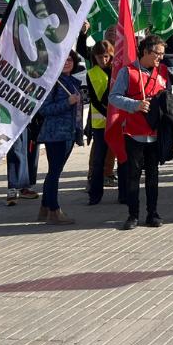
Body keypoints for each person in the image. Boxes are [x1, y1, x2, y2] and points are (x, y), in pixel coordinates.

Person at [109, 34, 169, 230]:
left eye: (162, 54)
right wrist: (135, 104)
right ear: (146, 51)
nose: (160, 57)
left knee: (153, 176)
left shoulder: (163, 72)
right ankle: (132, 214)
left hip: (155, 133)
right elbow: (114, 97)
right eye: (157, 54)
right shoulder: (128, 72)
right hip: (134, 133)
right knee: (133, 175)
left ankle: (153, 213)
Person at [37, 51, 83, 224]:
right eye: (63, 59)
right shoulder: (53, 83)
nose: (67, 62)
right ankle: (54, 209)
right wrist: (67, 103)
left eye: (70, 59)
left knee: (54, 172)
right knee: (54, 172)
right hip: (55, 134)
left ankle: (44, 207)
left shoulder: (72, 81)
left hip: (69, 133)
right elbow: (44, 109)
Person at [84, 40, 114, 205]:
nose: (103, 60)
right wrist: (106, 113)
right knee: (98, 160)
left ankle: (123, 195)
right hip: (100, 123)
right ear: (94, 57)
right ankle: (94, 195)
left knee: (121, 158)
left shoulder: (116, 71)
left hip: (117, 121)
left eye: (106, 56)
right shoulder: (91, 73)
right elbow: (94, 100)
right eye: (99, 57)